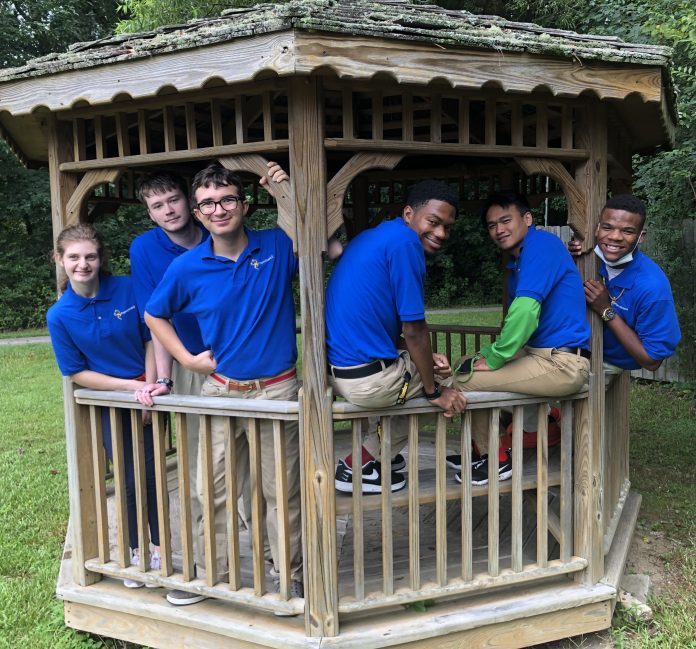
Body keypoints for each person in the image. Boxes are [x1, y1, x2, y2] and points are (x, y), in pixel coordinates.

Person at [144, 163, 308, 601]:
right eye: (208, 203)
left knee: (282, 491)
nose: (219, 210)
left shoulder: (278, 245)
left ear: (244, 203)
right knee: (210, 489)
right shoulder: (187, 266)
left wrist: (283, 189)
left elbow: (319, 234)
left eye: (228, 199)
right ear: (197, 213)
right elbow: (153, 314)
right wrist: (185, 359)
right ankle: (212, 576)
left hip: (277, 389)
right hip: (219, 389)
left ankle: (289, 573)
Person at [130, 170, 250, 607]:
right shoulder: (146, 249)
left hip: (245, 361)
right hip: (192, 363)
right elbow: (152, 319)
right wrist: (163, 377)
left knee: (258, 464)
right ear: (149, 212)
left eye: (174, 201)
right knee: (203, 470)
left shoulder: (222, 229)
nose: (169, 211)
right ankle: (204, 569)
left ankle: (277, 561)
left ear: (190, 201)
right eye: (157, 206)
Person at [326, 180, 468, 494]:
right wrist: (434, 390)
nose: (441, 233)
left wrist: (424, 360)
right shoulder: (406, 244)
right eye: (433, 222)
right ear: (408, 213)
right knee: (450, 385)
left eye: (448, 226)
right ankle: (357, 465)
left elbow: (382, 326)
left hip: (341, 373)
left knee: (426, 370)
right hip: (368, 382)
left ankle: (379, 459)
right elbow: (414, 329)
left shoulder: (374, 237)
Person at [445, 191, 591, 485]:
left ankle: (494, 458)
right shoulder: (520, 261)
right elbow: (520, 325)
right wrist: (485, 355)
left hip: (562, 362)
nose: (499, 230)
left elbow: (524, 312)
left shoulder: (541, 246)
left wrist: (497, 357)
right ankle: (485, 447)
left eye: (505, 220)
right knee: (464, 363)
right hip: (541, 354)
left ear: (527, 219)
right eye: (491, 225)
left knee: (463, 378)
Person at [47, 224, 162, 589]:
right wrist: (132, 388)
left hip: (152, 394)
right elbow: (77, 372)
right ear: (60, 260)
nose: (83, 264)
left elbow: (151, 337)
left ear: (101, 258)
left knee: (155, 475)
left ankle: (160, 545)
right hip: (111, 403)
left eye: (90, 256)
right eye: (75, 257)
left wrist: (150, 387)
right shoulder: (60, 315)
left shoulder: (127, 287)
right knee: (127, 479)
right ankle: (133, 549)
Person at [568, 194, 680, 372]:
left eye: (627, 231)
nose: (614, 237)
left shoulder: (652, 288)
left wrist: (606, 310)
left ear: (641, 236)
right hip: (571, 349)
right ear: (597, 229)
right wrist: (573, 259)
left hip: (605, 364)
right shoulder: (592, 258)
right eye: (607, 227)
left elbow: (652, 361)